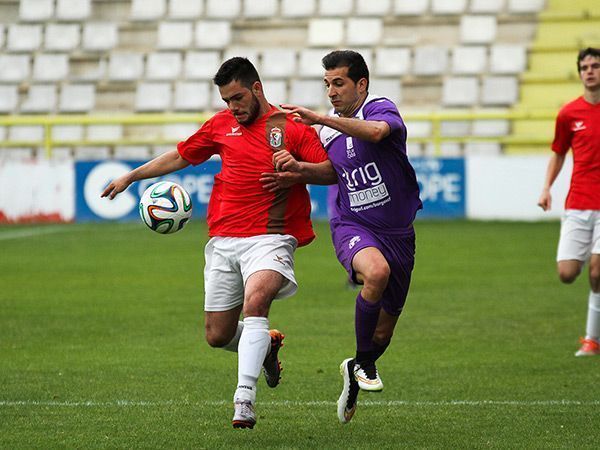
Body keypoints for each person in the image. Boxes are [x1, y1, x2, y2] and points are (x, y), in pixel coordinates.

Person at [101, 57, 329, 428]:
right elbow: (181, 154)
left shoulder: (292, 127)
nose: (233, 107)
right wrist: (132, 176)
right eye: (226, 100)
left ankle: (244, 399)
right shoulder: (221, 126)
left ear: (257, 88)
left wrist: (299, 172)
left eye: (238, 97)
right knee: (218, 335)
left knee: (256, 303)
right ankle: (266, 348)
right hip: (224, 240)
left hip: (271, 237)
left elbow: (332, 171)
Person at [261, 50, 422, 423]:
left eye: (339, 83)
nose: (331, 91)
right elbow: (334, 173)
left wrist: (320, 119)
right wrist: (297, 170)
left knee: (383, 333)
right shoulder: (326, 130)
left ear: (360, 85)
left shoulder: (380, 109)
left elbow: (378, 133)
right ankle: (364, 365)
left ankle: (357, 365)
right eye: (327, 84)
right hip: (353, 225)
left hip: (399, 232)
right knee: (376, 273)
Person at [538, 47, 600, 357]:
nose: (590, 71)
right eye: (585, 67)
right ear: (579, 73)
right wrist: (547, 187)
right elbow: (559, 152)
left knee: (597, 272)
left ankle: (592, 339)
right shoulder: (569, 114)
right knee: (567, 273)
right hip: (578, 203)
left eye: (595, 66)